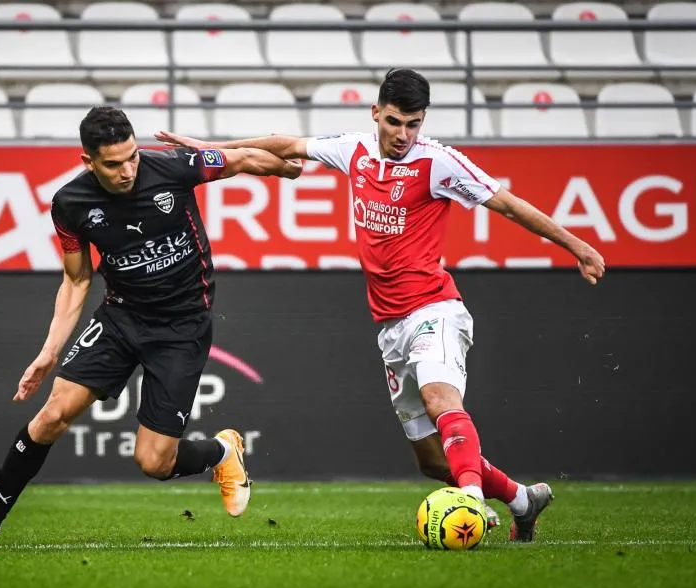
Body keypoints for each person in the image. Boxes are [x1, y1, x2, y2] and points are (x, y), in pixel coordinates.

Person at [155, 68, 606, 542]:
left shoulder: (440, 163)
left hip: (435, 308)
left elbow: (509, 204)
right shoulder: (356, 151)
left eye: (414, 124)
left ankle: (470, 502)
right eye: (395, 122)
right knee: (434, 461)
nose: (404, 135)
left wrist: (577, 245)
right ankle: (521, 499)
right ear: (376, 114)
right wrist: (206, 150)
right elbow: (284, 146)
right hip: (390, 325)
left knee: (439, 400)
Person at [0, 106, 302, 549]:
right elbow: (76, 279)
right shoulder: (70, 203)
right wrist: (50, 352)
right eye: (113, 163)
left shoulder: (172, 167)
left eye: (131, 157)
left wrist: (286, 168)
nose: (128, 169)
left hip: (182, 326)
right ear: (88, 161)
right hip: (121, 318)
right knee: (51, 416)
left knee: (153, 461)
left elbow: (246, 160)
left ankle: (223, 451)